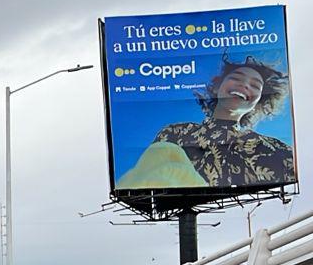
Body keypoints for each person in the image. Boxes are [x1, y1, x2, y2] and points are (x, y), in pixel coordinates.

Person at [117, 55, 295, 190]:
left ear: (258, 102)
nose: (245, 85)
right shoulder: (175, 133)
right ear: (217, 86)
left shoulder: (273, 149)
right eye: (236, 78)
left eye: (255, 86)